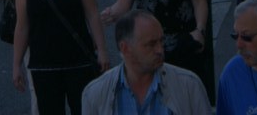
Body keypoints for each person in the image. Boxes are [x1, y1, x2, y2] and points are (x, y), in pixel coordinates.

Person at [13, 0, 109, 115]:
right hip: (44, 64)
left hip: (78, 61)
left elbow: (92, 13)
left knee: (84, 111)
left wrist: (102, 50)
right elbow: (22, 27)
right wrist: (16, 66)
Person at [82, 10, 211, 115]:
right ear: (125, 48)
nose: (160, 50)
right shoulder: (95, 95)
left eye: (161, 41)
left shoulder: (189, 86)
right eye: (151, 44)